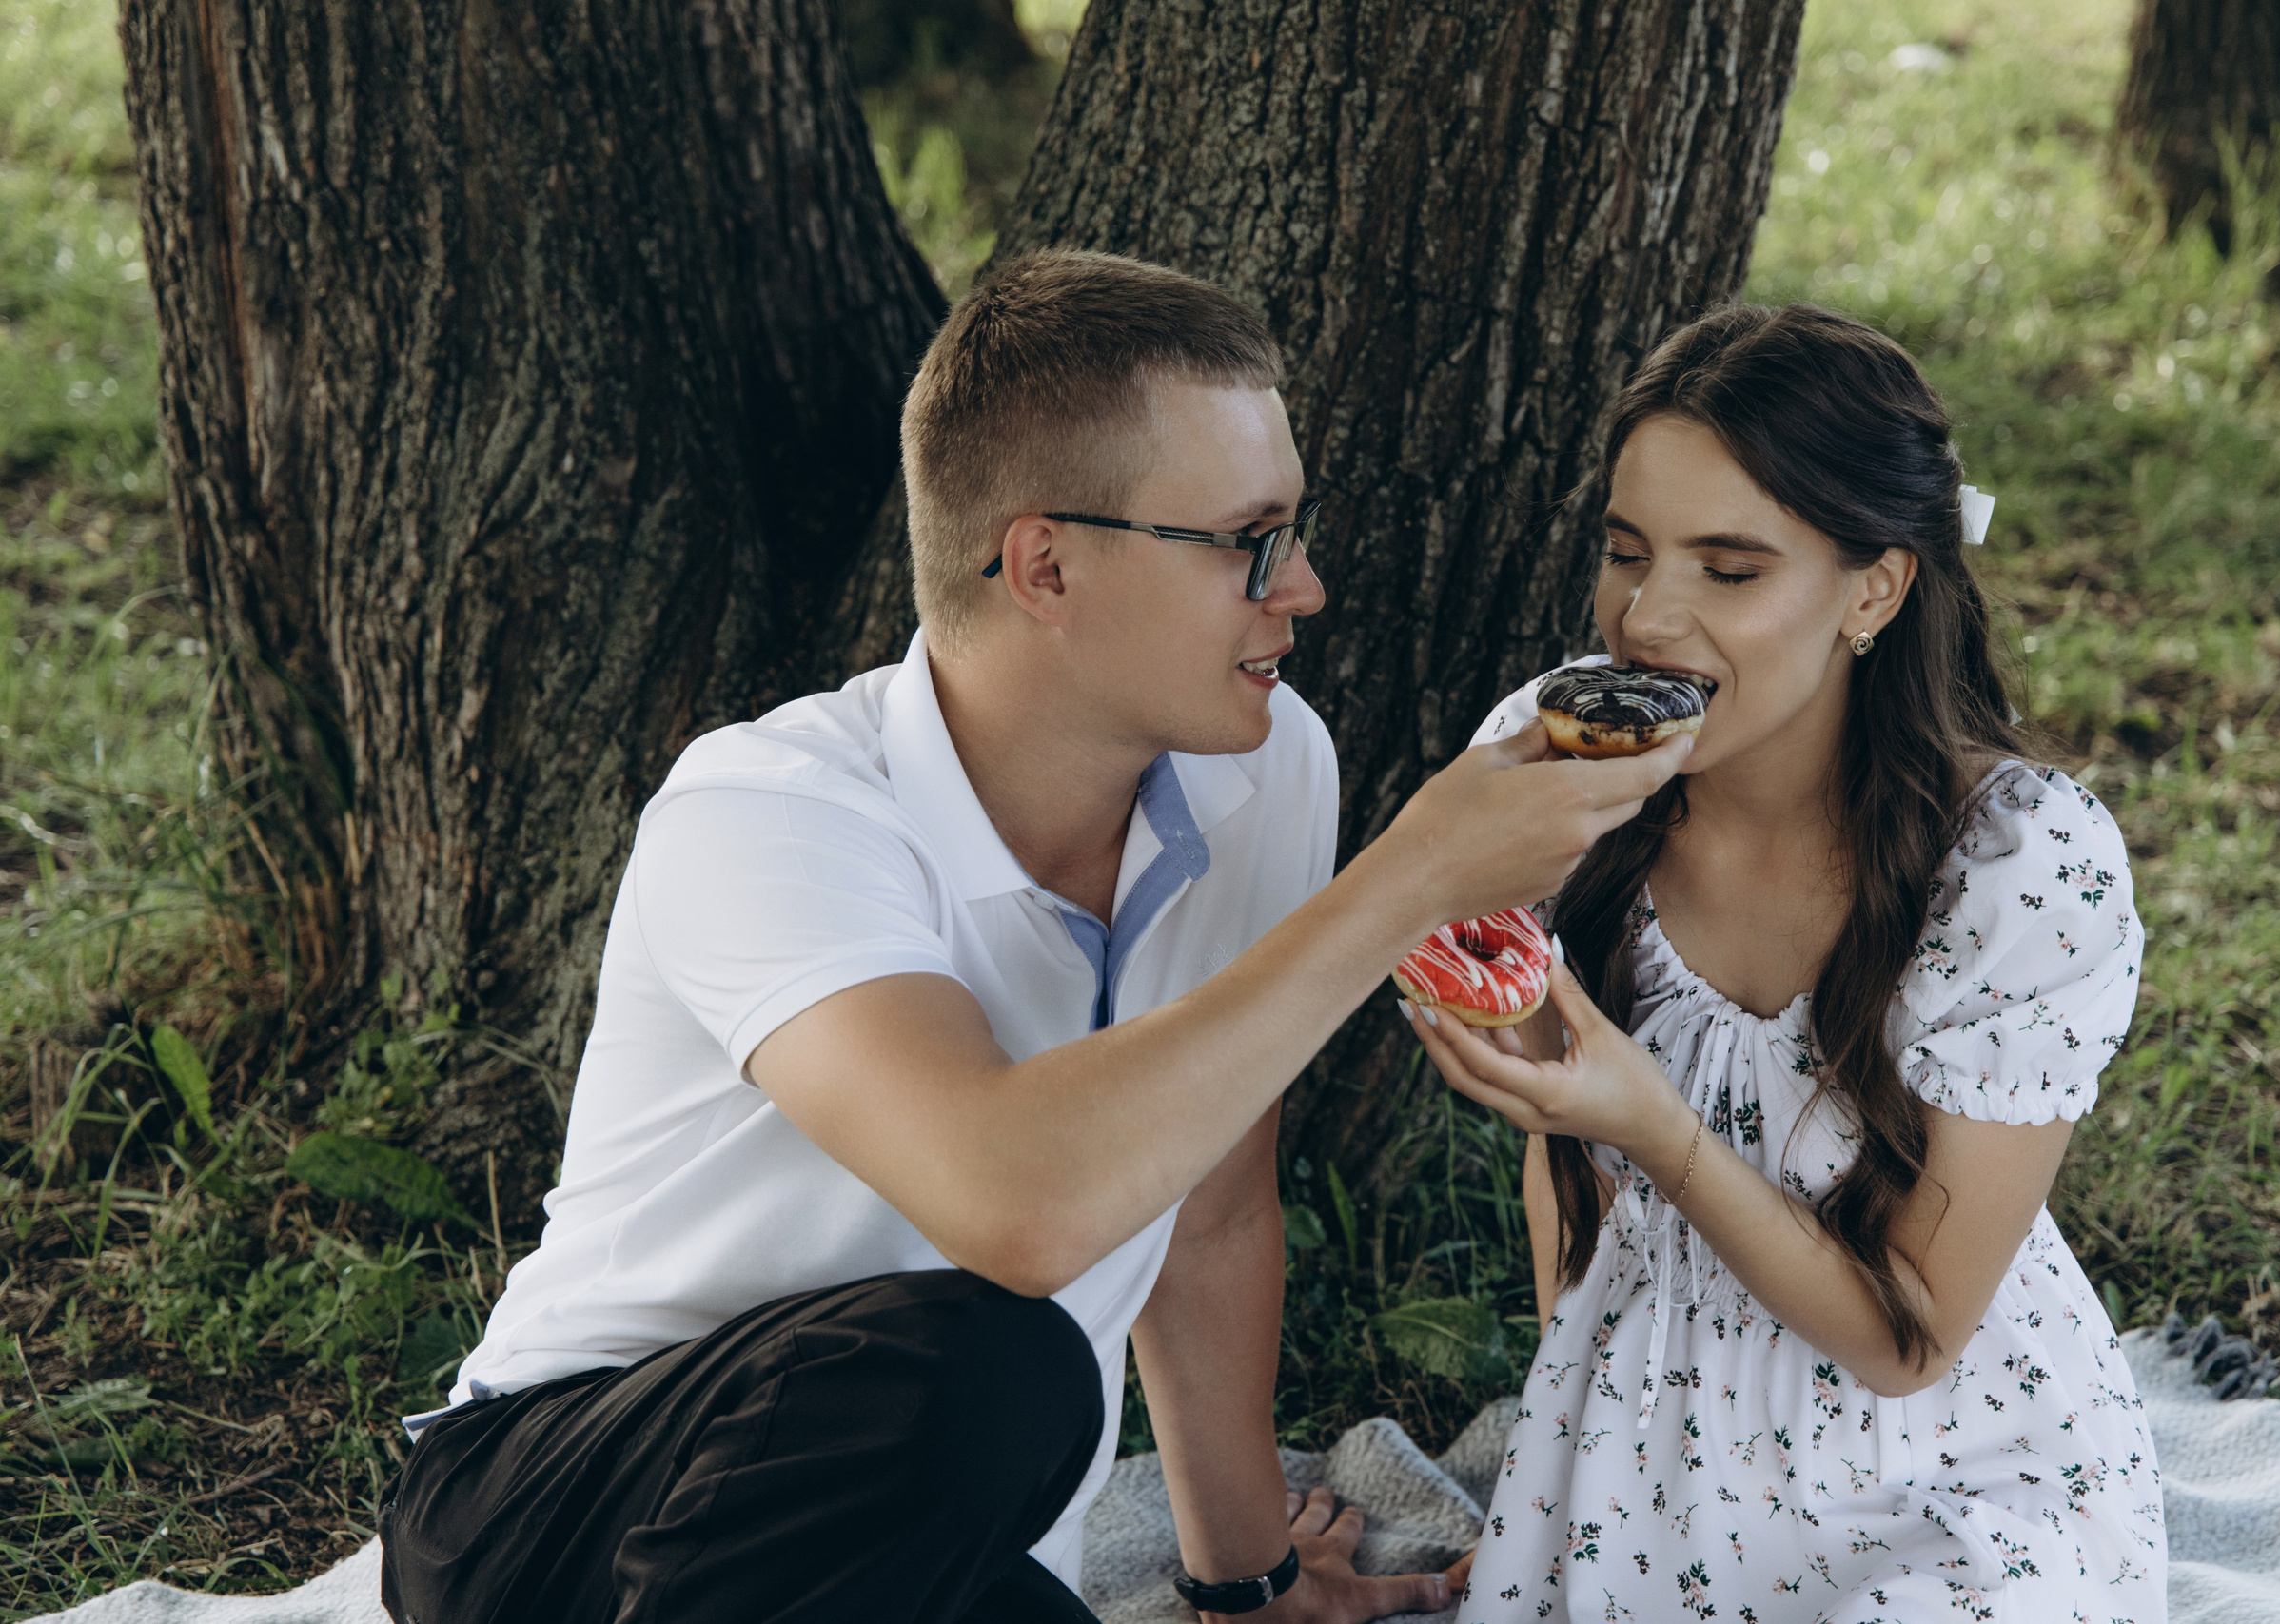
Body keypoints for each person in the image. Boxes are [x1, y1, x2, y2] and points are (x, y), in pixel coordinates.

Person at [377, 249, 1692, 1624]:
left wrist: (1245, 1581)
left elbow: (1211, 1206)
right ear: (1045, 566)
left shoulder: (1265, 769)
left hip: (917, 1554)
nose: (1301, 587)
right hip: (556, 1511)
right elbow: (1020, 1208)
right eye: (1250, 541)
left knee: (1001, 1399)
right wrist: (1405, 883)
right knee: (999, 1368)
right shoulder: (769, 811)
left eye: (1296, 531)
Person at [1405, 304, 2166, 1623]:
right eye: (1626, 552)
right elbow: (1567, 1181)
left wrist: (1650, 1122)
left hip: (1943, 1468)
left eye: (1730, 569)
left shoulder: (2020, 867)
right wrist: (1559, 1475)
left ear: (1874, 590)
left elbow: (1910, 1338)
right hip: (1654, 1448)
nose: (1647, 618)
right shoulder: (1550, 767)